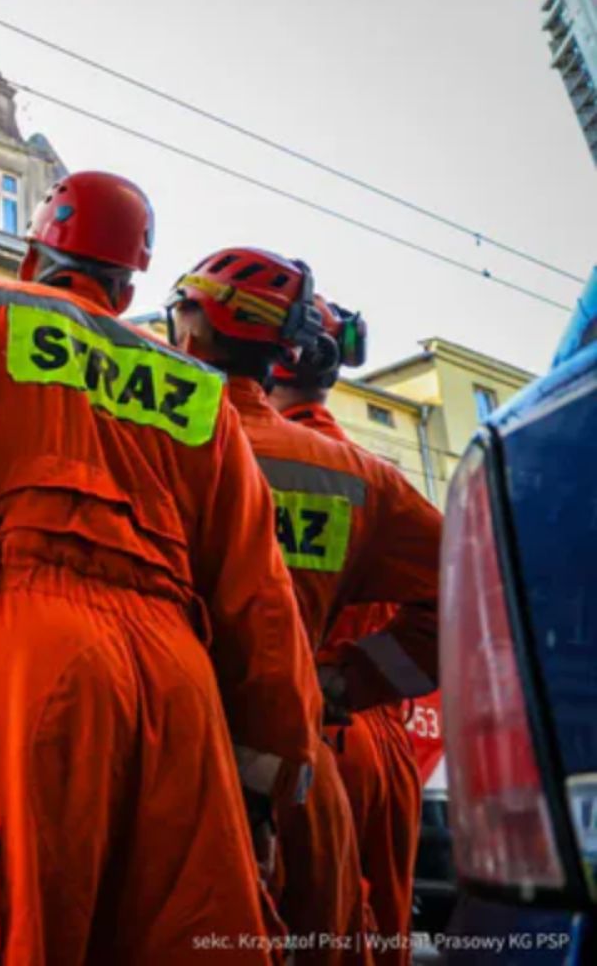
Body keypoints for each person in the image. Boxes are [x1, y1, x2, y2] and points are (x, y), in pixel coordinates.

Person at [0, 171, 320, 964]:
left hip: (23, 648)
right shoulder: (200, 392)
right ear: (132, 277)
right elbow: (261, 609)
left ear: (35, 251)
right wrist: (258, 796)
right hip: (179, 685)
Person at [167, 251, 442, 966]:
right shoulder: (360, 475)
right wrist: (348, 682)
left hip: (184, 737)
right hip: (315, 744)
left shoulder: (155, 438)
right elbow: (478, 591)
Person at [267, 300, 424, 966]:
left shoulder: (242, 456)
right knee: (376, 933)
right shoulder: (375, 477)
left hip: (287, 731)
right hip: (376, 737)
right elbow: (469, 594)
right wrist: (360, 680)